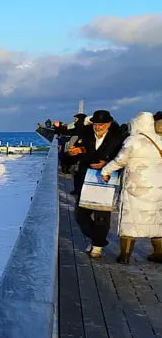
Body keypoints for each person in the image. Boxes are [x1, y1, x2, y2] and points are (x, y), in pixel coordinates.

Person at [101, 111, 162, 264]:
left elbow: (120, 160)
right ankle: (159, 253)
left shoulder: (132, 140)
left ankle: (125, 256)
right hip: (158, 186)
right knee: (156, 219)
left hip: (135, 186)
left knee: (130, 221)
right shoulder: (160, 140)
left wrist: (106, 170)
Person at [73, 110, 126, 259]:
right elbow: (84, 150)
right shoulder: (87, 133)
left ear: (109, 123)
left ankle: (97, 247)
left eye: (102, 124)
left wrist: (107, 163)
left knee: (102, 215)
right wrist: (78, 151)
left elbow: (122, 159)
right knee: (80, 215)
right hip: (86, 177)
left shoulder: (119, 137)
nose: (98, 127)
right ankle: (98, 239)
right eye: (96, 124)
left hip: (106, 179)